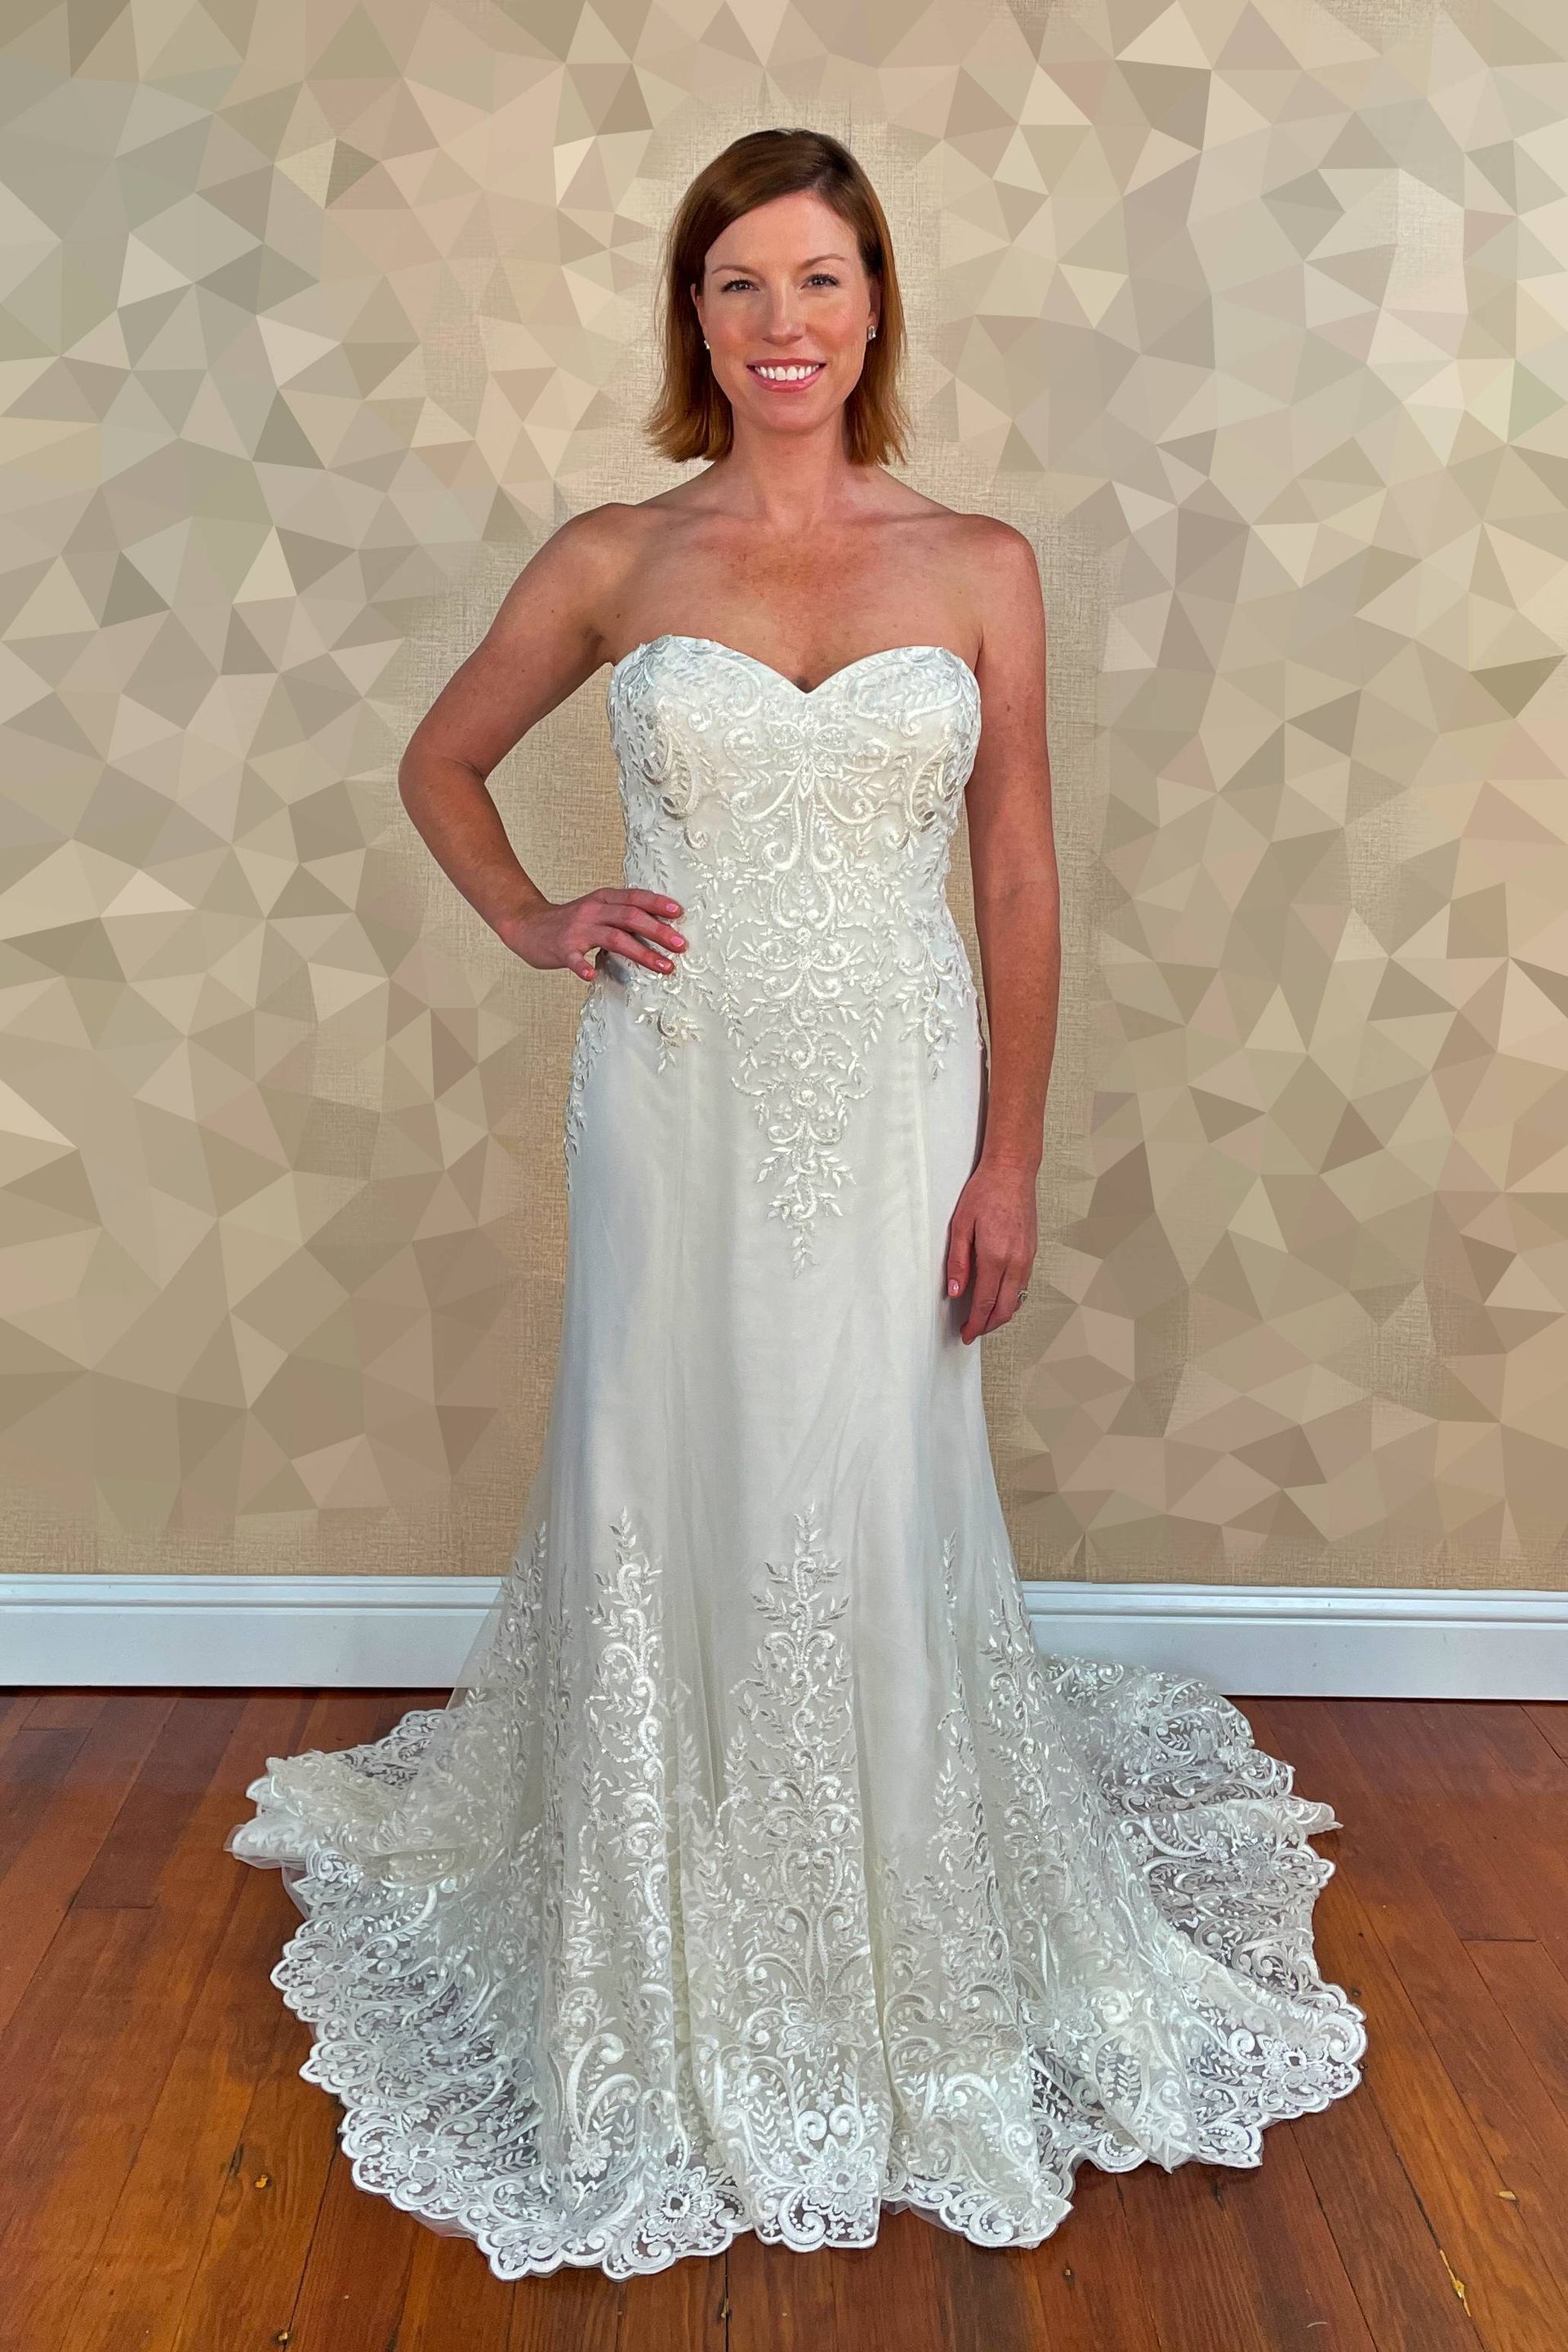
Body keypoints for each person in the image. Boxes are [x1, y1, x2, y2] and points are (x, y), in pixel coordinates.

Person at [226, 126, 1365, 2282]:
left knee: (874, 1477)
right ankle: (665, 1925)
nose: (784, 324)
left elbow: (1013, 868)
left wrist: (1011, 1150)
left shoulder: (981, 562)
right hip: (676, 1086)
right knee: (688, 1470)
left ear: (877, 305)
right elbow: (438, 765)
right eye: (740, 283)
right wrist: (539, 918)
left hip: (908, 1086)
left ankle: (891, 1917)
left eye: (821, 280)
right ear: (694, 316)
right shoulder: (612, 555)